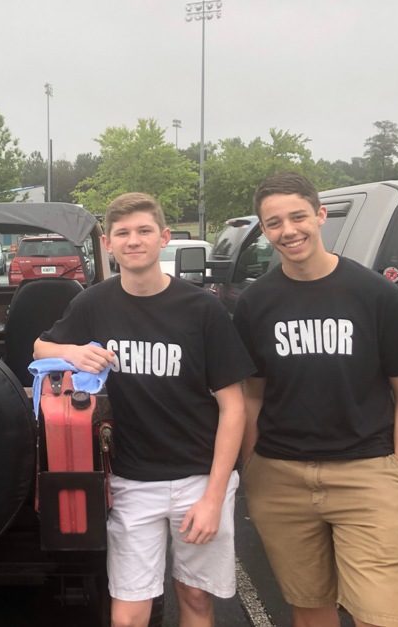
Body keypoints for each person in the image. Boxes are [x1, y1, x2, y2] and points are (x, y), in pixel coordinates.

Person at [33, 192, 254, 627]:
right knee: (129, 612)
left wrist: (215, 495)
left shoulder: (203, 309)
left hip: (198, 477)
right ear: (109, 245)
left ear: (164, 237)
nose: (133, 241)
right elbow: (40, 346)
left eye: (143, 231)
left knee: (194, 598)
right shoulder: (94, 303)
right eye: (122, 233)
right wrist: (74, 352)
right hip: (131, 479)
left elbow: (234, 406)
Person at [233, 172, 398, 627]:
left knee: (383, 617)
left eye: (298, 216)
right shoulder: (255, 303)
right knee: (310, 609)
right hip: (281, 478)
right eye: (274, 222)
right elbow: (253, 394)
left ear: (320, 216)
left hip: (369, 475)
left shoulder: (375, 294)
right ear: (264, 231)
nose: (289, 230)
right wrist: (253, 467)